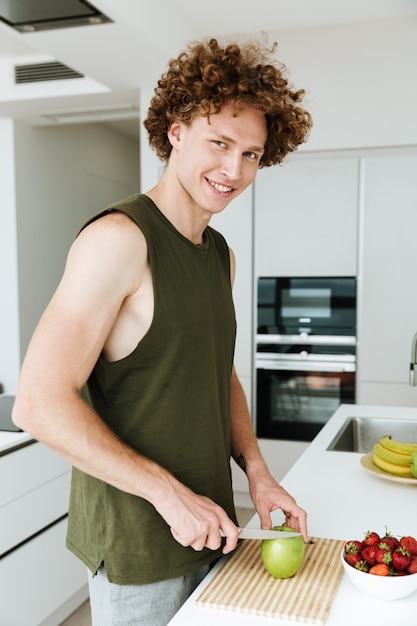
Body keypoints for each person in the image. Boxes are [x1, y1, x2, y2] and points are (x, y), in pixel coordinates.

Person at [13, 37, 313, 626]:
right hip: (139, 547)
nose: (234, 170)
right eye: (219, 144)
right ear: (175, 132)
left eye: (251, 154)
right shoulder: (119, 241)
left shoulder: (219, 254)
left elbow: (213, 369)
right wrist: (168, 494)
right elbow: (39, 403)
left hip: (213, 527)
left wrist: (257, 474)